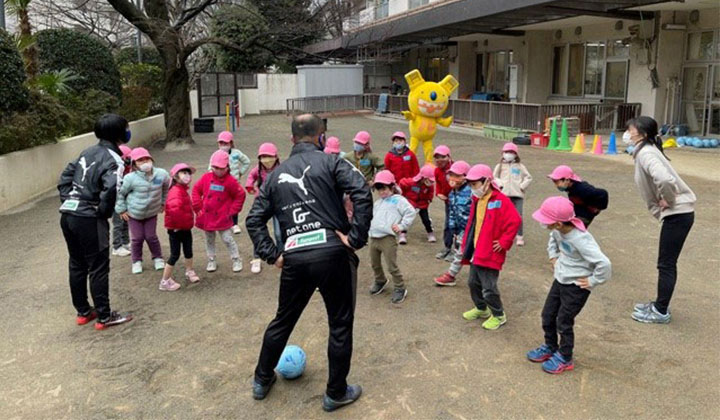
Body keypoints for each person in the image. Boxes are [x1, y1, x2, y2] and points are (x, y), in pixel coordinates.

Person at [246, 114, 372, 412]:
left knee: (283, 319)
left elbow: (254, 219)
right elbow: (362, 191)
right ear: (321, 136)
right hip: (332, 254)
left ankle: (262, 380)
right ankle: (336, 392)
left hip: (295, 257)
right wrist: (355, 238)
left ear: (291, 140)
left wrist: (272, 253)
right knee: (340, 324)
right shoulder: (332, 162)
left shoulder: (276, 175)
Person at [57, 113, 133, 330]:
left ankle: (83, 311)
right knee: (98, 267)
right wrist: (102, 212)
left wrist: (70, 199)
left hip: (69, 215)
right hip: (89, 219)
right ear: (120, 133)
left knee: (77, 263)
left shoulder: (87, 152)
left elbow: (65, 177)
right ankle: (104, 316)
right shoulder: (114, 159)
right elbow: (111, 188)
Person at [527, 196, 611, 374]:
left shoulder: (581, 239)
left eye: (546, 221)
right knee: (547, 315)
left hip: (576, 286)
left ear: (558, 223)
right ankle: (550, 346)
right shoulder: (557, 231)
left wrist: (592, 281)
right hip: (561, 279)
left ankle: (565, 356)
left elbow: (604, 264)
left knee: (563, 321)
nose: (543, 224)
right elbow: (553, 240)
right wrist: (553, 257)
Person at [624, 116, 696, 324]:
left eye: (631, 128)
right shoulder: (645, 151)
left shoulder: (646, 153)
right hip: (678, 214)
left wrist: (669, 200)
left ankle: (661, 310)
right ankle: (658, 304)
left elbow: (664, 179)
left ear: (643, 134)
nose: (628, 131)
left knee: (666, 264)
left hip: (678, 215)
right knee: (665, 263)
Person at [460, 164, 521, 330]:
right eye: (471, 185)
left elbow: (515, 221)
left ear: (487, 182)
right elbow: (473, 224)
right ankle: (481, 308)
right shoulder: (477, 199)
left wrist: (504, 242)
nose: (473, 188)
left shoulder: (501, 200)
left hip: (490, 253)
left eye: (475, 184)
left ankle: (499, 314)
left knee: (489, 288)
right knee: (473, 283)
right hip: (477, 251)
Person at [115, 147, 170, 275]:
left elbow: (166, 188)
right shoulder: (130, 178)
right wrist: (121, 210)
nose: (145, 162)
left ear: (151, 159)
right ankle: (136, 261)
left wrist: (163, 202)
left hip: (151, 213)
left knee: (151, 237)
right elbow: (121, 194)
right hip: (134, 214)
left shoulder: (161, 174)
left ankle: (158, 258)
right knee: (137, 238)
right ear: (134, 164)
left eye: (146, 159)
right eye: (140, 160)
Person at [192, 150, 246, 273]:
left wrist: (233, 211)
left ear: (227, 167)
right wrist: (197, 205)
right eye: (215, 167)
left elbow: (240, 195)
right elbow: (196, 190)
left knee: (227, 238)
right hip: (207, 215)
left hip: (223, 216)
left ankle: (236, 258)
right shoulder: (206, 177)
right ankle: (211, 259)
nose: (218, 170)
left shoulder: (231, 181)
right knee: (209, 239)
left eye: (221, 168)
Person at [368, 170, 416, 304]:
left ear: (392, 187)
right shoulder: (378, 203)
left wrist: (402, 226)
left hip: (387, 238)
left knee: (391, 265)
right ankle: (380, 280)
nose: (381, 192)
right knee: (374, 263)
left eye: (384, 188)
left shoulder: (398, 200)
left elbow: (410, 212)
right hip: (373, 237)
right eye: (379, 189)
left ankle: (400, 287)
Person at [160, 163, 200, 291]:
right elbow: (174, 210)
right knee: (174, 254)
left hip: (185, 227)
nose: (187, 175)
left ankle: (189, 271)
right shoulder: (176, 191)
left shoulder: (182, 190)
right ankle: (165, 281)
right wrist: (177, 226)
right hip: (176, 229)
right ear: (176, 176)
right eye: (184, 173)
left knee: (188, 250)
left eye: (188, 173)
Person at [245, 142, 283, 274]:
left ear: (276, 157)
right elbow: (250, 178)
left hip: (278, 204)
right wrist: (251, 188)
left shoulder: (281, 169)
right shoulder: (258, 170)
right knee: (258, 231)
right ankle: (256, 258)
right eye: (263, 157)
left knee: (279, 232)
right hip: (262, 205)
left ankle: (281, 255)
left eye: (269, 156)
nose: (267, 160)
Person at [433, 161, 472, 286]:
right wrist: (453, 228)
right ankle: (451, 275)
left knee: (473, 255)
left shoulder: (472, 192)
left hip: (473, 230)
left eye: (457, 175)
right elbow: (451, 212)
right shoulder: (452, 194)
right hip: (461, 231)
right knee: (460, 253)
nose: (452, 179)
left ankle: (476, 279)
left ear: (465, 177)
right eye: (451, 175)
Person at [211, 131, 251, 235]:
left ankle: (234, 224)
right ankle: (221, 221)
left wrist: (241, 172)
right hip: (221, 185)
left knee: (234, 204)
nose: (223, 146)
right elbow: (210, 169)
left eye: (226, 143)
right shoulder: (215, 155)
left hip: (234, 184)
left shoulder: (236, 153)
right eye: (221, 143)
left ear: (231, 143)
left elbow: (246, 161)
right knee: (221, 203)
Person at [493, 142, 532, 246]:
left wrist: (522, 186)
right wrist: (500, 185)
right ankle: (504, 234)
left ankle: (520, 236)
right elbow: (494, 177)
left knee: (518, 216)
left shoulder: (520, 166)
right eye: (507, 152)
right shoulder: (500, 166)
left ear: (516, 154)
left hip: (517, 195)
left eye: (511, 152)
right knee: (502, 216)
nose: (509, 154)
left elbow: (528, 177)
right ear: (503, 153)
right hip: (504, 195)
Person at [398, 164, 436, 244]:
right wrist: (403, 195)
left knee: (426, 220)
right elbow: (402, 183)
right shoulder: (411, 183)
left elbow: (431, 193)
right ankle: (402, 234)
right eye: (429, 180)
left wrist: (429, 199)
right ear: (422, 178)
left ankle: (430, 233)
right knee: (406, 219)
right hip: (411, 203)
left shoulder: (429, 186)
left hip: (423, 204)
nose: (431, 182)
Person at [111, 144, 133, 257]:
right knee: (118, 222)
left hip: (124, 199)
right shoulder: (116, 172)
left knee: (126, 220)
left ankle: (125, 242)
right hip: (116, 200)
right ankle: (117, 246)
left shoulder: (127, 171)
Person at [433, 145, 454, 260]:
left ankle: (457, 250)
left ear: (448, 157)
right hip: (448, 202)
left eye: (442, 157)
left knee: (458, 226)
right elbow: (438, 186)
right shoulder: (437, 171)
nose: (439, 160)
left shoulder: (455, 169)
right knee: (447, 225)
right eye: (437, 157)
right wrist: (439, 194)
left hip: (459, 202)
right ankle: (447, 247)